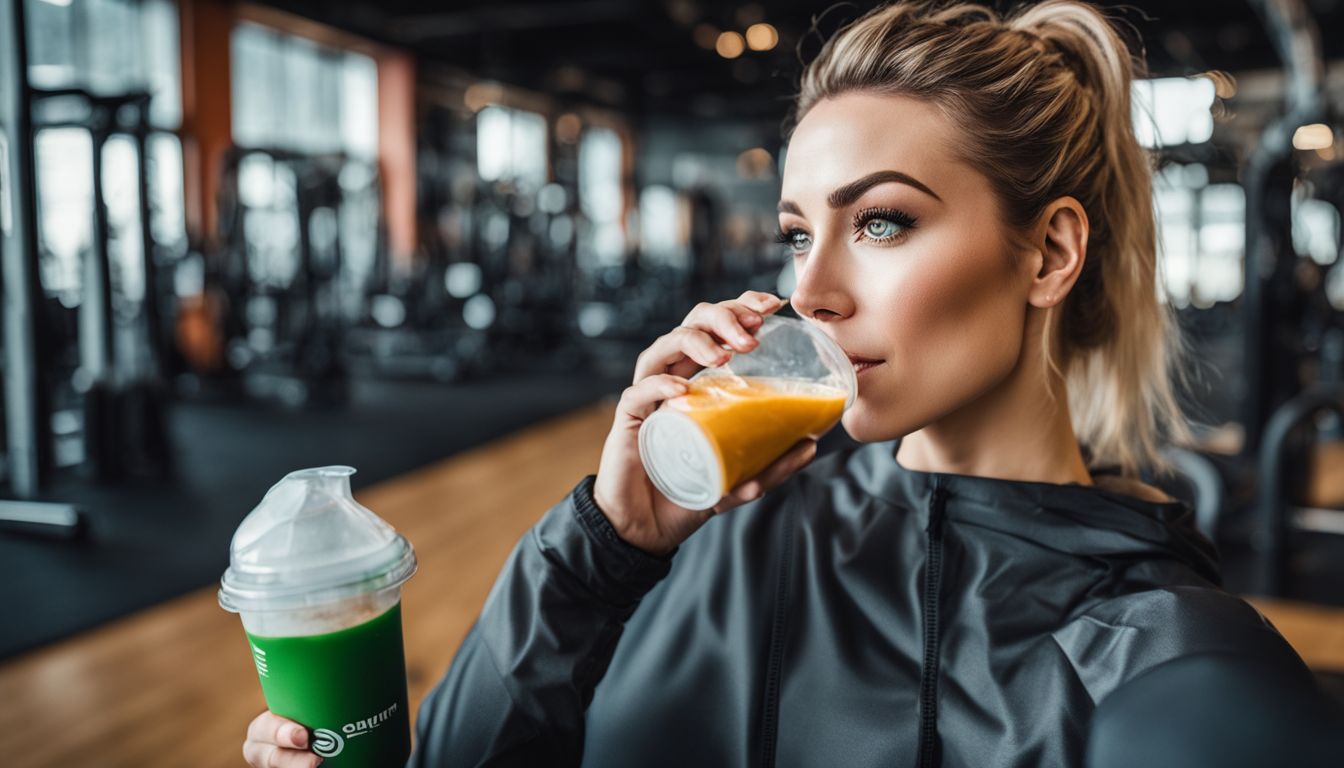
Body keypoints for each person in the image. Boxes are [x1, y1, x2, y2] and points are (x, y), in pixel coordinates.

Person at [242, 1, 1337, 766]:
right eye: (796, 232)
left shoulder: (1152, 645)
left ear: (1047, 256)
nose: (808, 287)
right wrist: (603, 545)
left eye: (881, 222)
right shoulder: (726, 539)